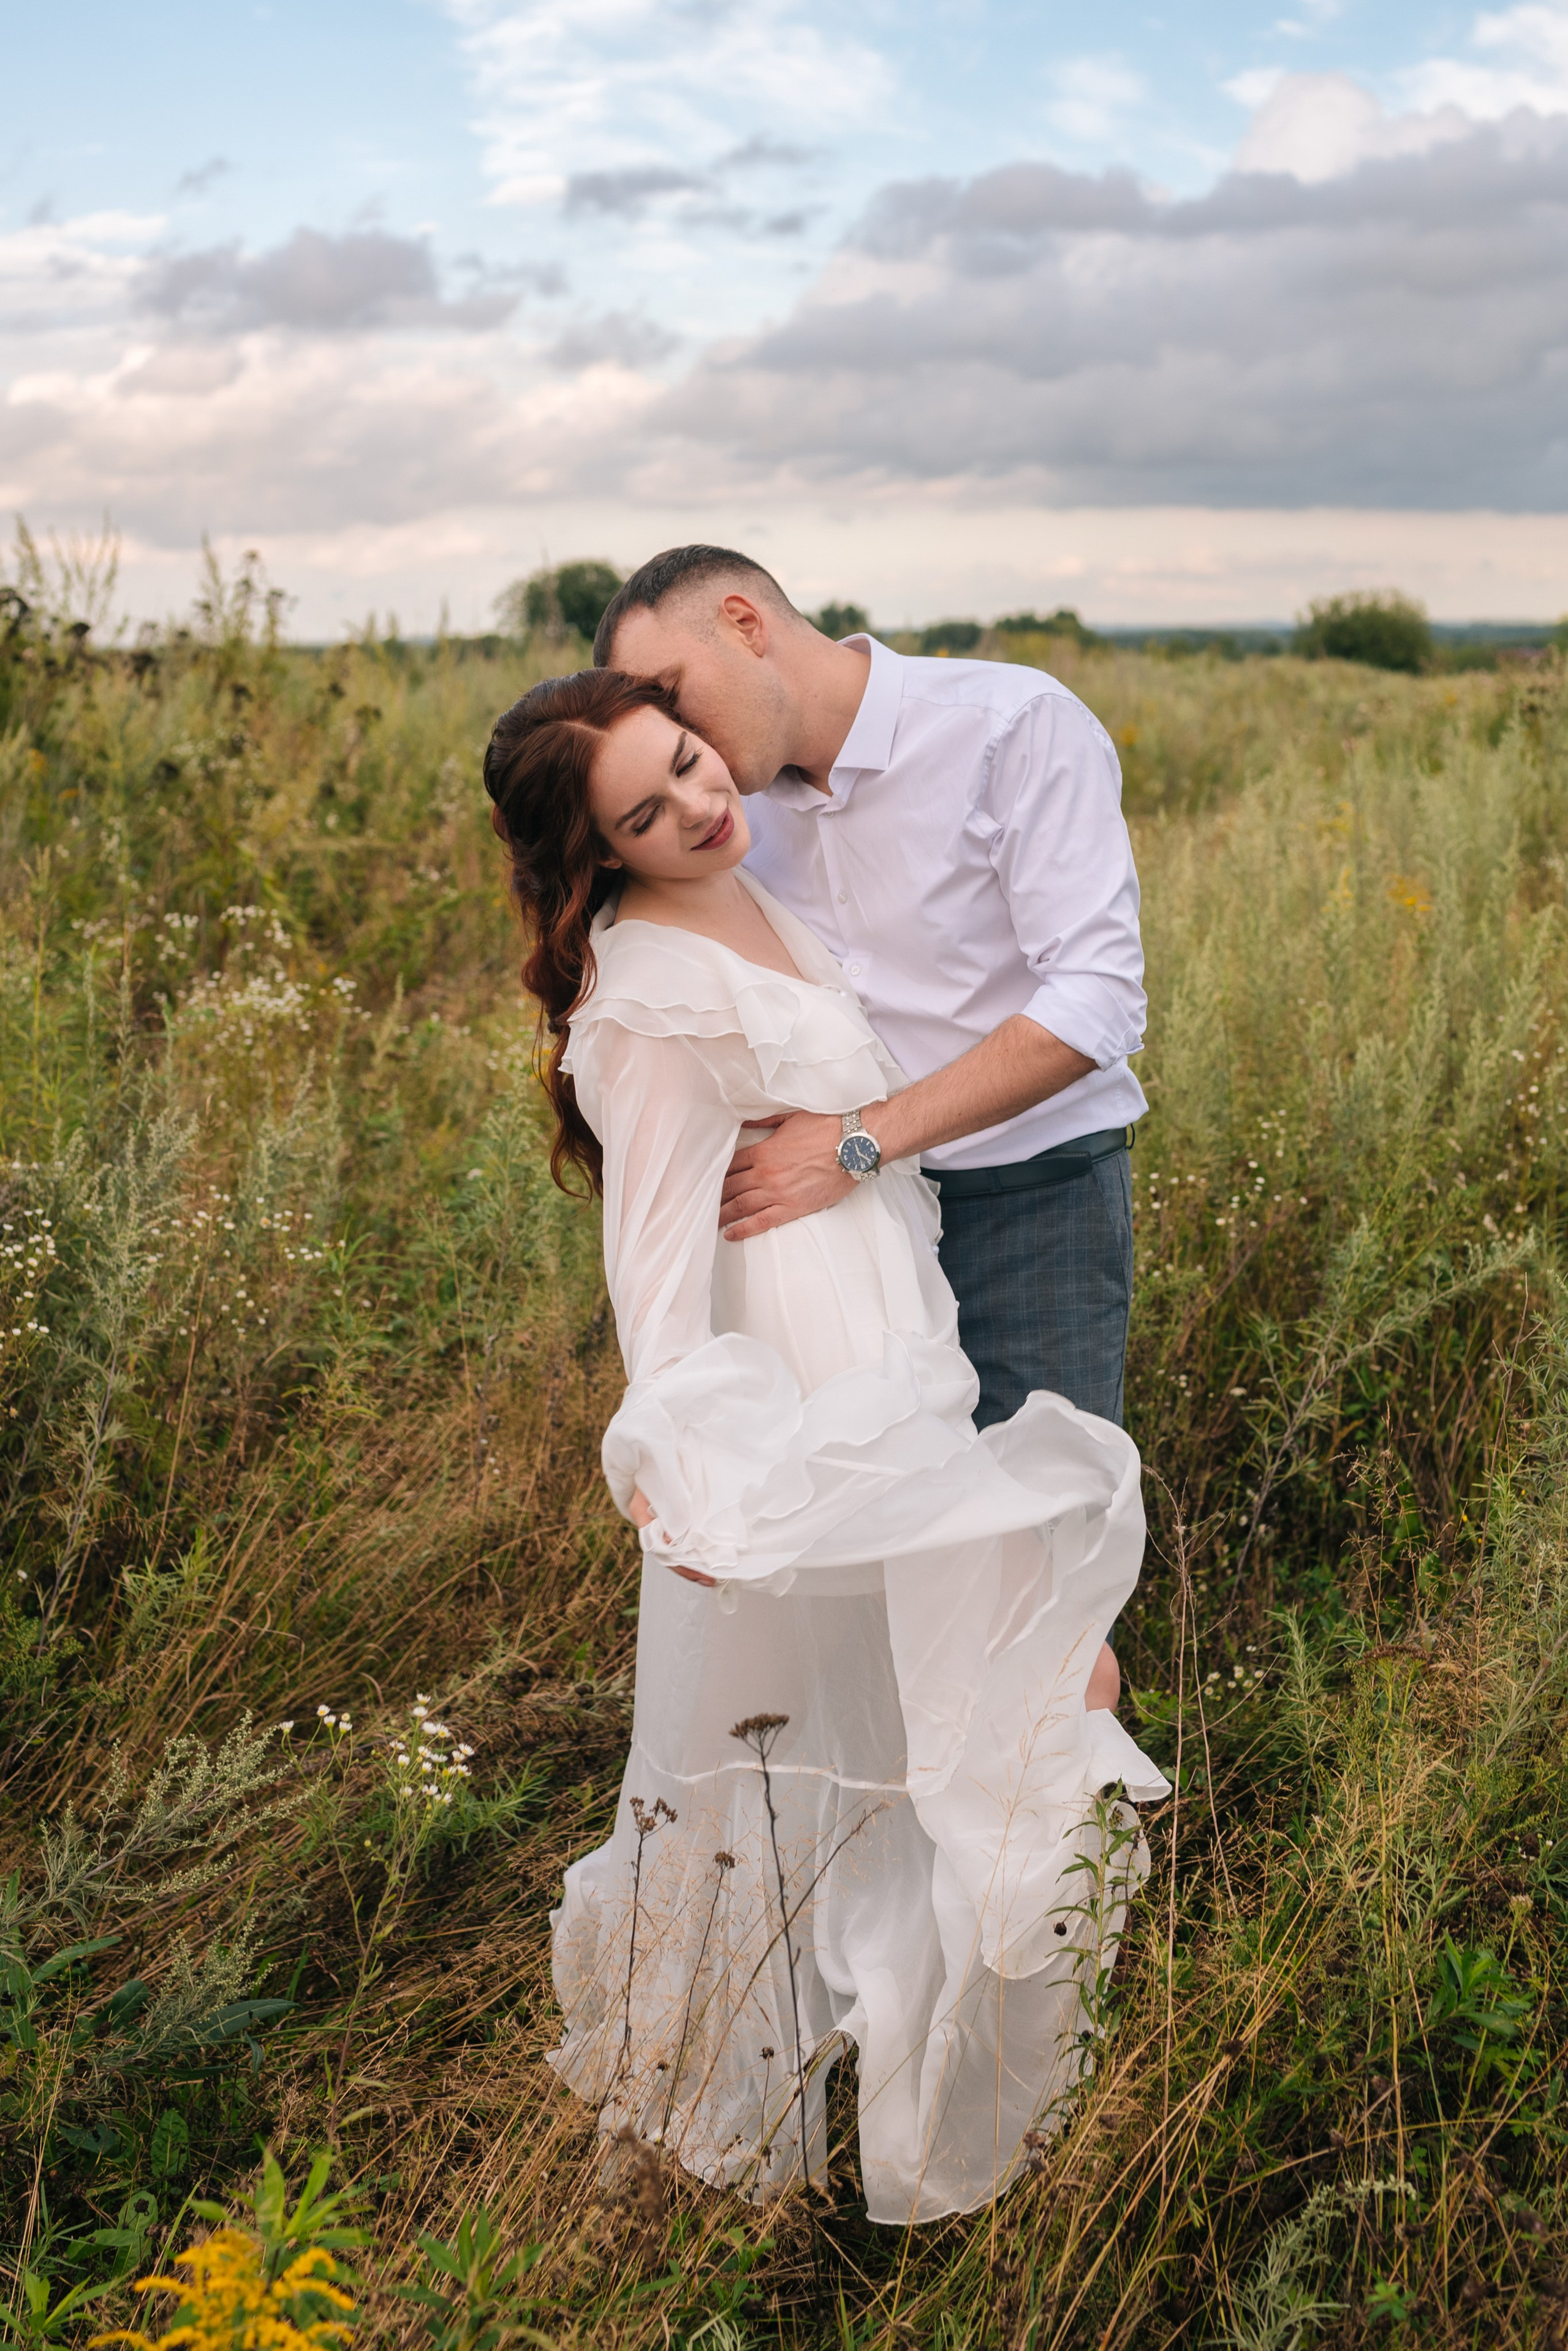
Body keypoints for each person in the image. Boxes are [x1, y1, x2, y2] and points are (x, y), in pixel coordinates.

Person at [482, 667, 1168, 2226]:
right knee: (813, 1708)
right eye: (642, 814)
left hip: (887, 1325)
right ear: (596, 855)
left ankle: (930, 2032)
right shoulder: (644, 980)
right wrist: (673, 1454)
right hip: (796, 1371)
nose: (693, 806)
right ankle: (765, 2090)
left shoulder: (757, 880)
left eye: (683, 764)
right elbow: (647, 1247)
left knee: (929, 1667)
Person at [592, 546, 1146, 1442]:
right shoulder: (721, 808)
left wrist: (857, 1143)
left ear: (744, 623)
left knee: (1039, 1540)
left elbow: (1099, 1000)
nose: (676, 740)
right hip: (839, 1239)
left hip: (1030, 1204)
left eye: (673, 693)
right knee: (887, 1545)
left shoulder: (1014, 725)